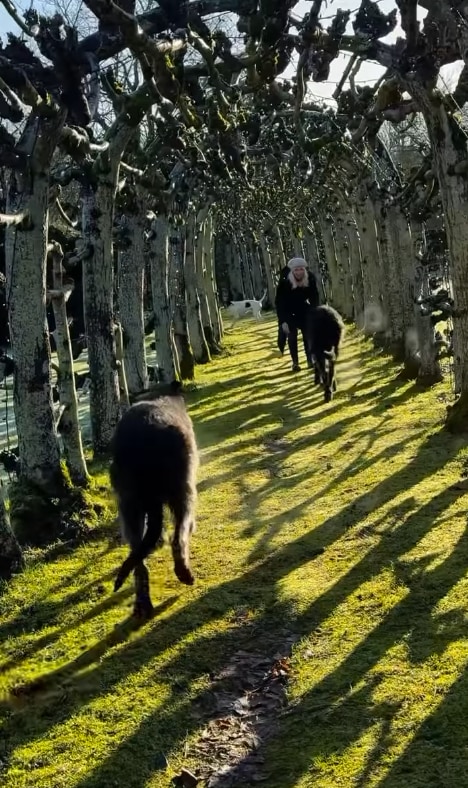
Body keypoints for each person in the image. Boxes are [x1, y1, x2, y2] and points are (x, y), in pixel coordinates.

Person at [275, 257, 321, 373]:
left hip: (303, 308)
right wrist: (283, 321)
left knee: (308, 334)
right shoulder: (285, 281)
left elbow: (314, 296)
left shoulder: (310, 278)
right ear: (292, 271)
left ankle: (310, 360)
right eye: (296, 270)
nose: (299, 272)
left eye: (301, 269)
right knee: (291, 335)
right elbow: (279, 302)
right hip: (287, 310)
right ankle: (295, 362)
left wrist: (314, 312)